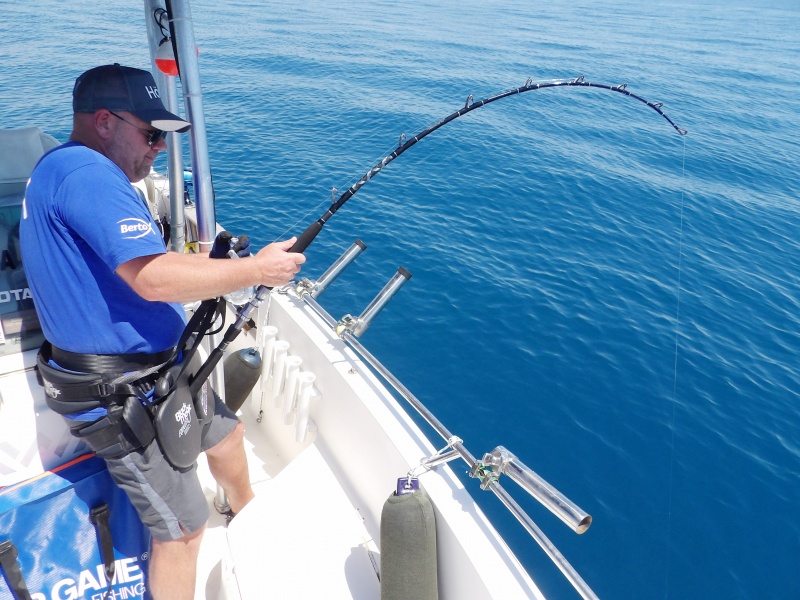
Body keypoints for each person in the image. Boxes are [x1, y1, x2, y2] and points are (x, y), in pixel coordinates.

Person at [19, 64, 306, 600]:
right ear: (104, 121)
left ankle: (246, 515)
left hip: (158, 369)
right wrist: (255, 272)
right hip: (116, 392)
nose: (157, 149)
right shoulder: (89, 175)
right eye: (150, 134)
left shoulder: (63, 166)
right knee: (183, 529)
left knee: (227, 435)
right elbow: (152, 278)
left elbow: (137, 264)